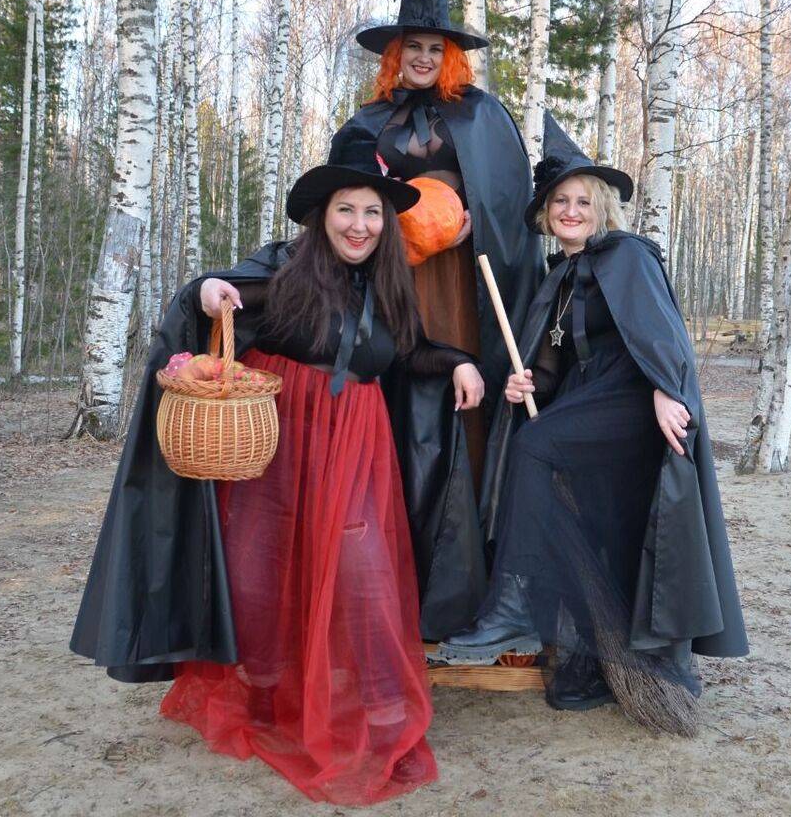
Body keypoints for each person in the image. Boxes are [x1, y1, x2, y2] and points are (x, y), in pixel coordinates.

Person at [69, 132, 484, 805]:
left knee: (362, 569)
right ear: (323, 215)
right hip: (283, 437)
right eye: (346, 210)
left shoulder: (388, 282)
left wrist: (459, 361)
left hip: (356, 443)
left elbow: (406, 352)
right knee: (261, 565)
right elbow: (218, 292)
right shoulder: (286, 267)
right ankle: (262, 695)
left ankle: (379, 704)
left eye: (372, 212)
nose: (359, 225)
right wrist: (207, 291)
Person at [435, 117, 749, 735]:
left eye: (583, 201)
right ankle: (594, 661)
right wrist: (527, 384)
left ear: (601, 209)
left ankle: (514, 603)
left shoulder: (627, 256)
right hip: (586, 406)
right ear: (546, 214)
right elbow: (554, 361)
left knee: (535, 445)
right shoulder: (559, 276)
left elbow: (660, 334)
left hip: (630, 400)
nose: (571, 211)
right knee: (581, 514)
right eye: (560, 202)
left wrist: (665, 390)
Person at [334, 0, 543, 639]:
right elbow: (340, 202)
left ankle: (466, 582)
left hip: (464, 283)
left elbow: (509, 203)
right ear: (395, 54)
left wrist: (469, 224)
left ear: (449, 55)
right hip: (393, 281)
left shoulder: (481, 115)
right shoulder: (367, 122)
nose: (422, 58)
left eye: (433, 48)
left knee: (463, 408)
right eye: (412, 47)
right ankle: (391, 578)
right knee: (399, 408)